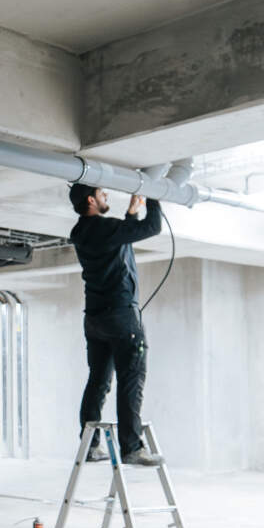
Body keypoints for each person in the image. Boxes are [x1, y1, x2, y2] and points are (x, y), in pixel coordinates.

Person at [69, 183, 163, 467]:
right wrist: (156, 196)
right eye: (102, 193)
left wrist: (131, 215)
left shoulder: (80, 232)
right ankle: (132, 447)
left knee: (98, 380)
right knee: (131, 378)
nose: (106, 195)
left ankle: (89, 446)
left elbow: (120, 238)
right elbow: (153, 227)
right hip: (121, 316)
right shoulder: (105, 228)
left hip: (95, 318)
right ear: (91, 200)